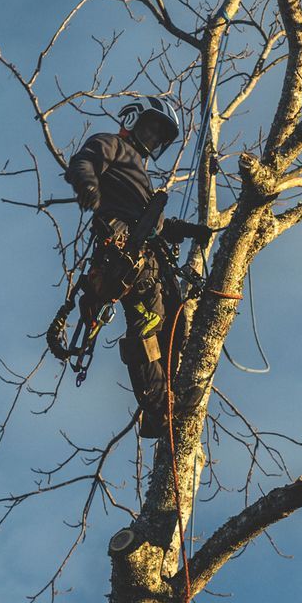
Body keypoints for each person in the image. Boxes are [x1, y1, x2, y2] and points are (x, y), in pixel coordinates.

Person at [60, 99, 207, 439]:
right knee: (148, 324)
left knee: (175, 323)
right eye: (151, 128)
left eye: (159, 136)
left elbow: (153, 227)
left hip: (151, 260)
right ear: (132, 120)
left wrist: (188, 231)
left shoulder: (139, 177)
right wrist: (89, 187)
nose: (153, 138)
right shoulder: (113, 145)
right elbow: (83, 162)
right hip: (126, 258)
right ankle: (159, 405)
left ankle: (168, 396)